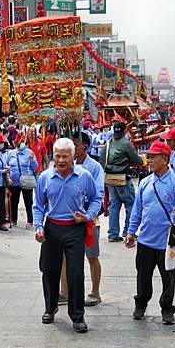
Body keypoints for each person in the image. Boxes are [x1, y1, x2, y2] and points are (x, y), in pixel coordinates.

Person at [33, 138, 102, 334]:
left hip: (75, 229)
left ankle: (77, 316)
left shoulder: (85, 176)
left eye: (65, 156)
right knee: (49, 271)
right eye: (57, 156)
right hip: (52, 229)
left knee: (75, 273)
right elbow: (38, 205)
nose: (61, 160)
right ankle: (50, 307)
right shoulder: (45, 177)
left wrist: (88, 215)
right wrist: (39, 226)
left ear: (73, 157)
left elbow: (97, 198)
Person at [126, 141, 175, 324]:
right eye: (149, 156)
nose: (149, 160)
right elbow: (137, 211)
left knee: (168, 278)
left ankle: (167, 309)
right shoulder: (145, 182)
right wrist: (131, 232)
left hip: (168, 241)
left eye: (153, 157)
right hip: (145, 240)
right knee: (143, 276)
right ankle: (141, 304)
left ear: (165, 159)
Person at [60, 132, 106, 307]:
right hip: (68, 219)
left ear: (85, 147)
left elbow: (98, 194)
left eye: (75, 145)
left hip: (88, 218)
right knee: (64, 256)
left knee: (91, 256)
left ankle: (95, 292)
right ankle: (65, 292)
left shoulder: (93, 167)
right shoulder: (65, 165)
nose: (72, 148)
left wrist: (87, 214)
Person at [99, 121, 142, 241]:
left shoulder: (108, 144)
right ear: (124, 131)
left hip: (111, 179)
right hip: (123, 178)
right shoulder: (126, 144)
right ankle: (128, 231)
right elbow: (136, 160)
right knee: (131, 204)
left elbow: (102, 162)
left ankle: (113, 234)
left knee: (114, 205)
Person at [8, 138, 38, 229]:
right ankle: (13, 220)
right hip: (14, 182)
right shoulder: (11, 153)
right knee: (14, 201)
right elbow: (7, 166)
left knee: (28, 202)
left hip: (26, 181)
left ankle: (30, 220)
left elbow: (35, 167)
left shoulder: (30, 152)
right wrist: (8, 176)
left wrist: (32, 160)